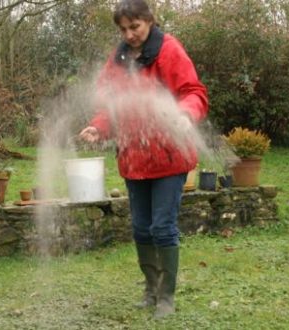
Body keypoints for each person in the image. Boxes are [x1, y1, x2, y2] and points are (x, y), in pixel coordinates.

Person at [78, 0, 208, 319]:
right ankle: (150, 290)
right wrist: (98, 127)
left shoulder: (169, 50)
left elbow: (194, 92)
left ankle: (166, 297)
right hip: (134, 159)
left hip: (169, 158)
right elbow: (111, 104)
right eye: (123, 29)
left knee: (162, 227)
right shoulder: (118, 59)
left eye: (134, 27)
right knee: (140, 229)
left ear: (149, 21)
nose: (130, 34)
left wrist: (185, 114)